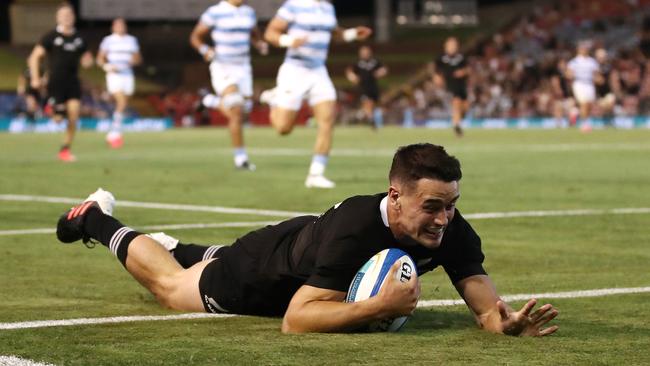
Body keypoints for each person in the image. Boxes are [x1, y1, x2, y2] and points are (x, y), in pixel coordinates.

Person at [56, 143, 559, 335]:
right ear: (397, 196)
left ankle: (175, 245)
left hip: (302, 243)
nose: (443, 219)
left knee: (200, 259)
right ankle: (96, 218)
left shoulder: (452, 228)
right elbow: (296, 320)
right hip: (259, 278)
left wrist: (505, 323)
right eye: (432, 206)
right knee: (170, 288)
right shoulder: (357, 230)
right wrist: (378, 307)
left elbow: (486, 308)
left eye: (451, 204)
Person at [260, 0, 372, 188]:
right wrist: (288, 40)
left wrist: (352, 34)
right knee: (283, 128)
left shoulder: (328, 8)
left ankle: (315, 174)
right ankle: (274, 100)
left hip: (318, 71)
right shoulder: (294, 5)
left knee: (327, 120)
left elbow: (334, 34)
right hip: (294, 70)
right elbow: (270, 33)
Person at [190, 0, 268, 171]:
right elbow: (195, 36)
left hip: (244, 67)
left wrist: (259, 44)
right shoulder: (215, 12)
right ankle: (241, 159)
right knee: (237, 111)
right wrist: (206, 50)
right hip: (223, 66)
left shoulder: (248, 12)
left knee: (242, 112)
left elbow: (254, 34)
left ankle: (209, 101)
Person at [27, 2, 93, 162]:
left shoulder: (79, 38)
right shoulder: (51, 37)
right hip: (55, 83)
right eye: (63, 15)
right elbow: (34, 57)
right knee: (58, 119)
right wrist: (35, 78)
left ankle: (65, 149)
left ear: (74, 18)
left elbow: (87, 58)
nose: (66, 18)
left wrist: (88, 61)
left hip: (73, 82)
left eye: (69, 15)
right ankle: (51, 108)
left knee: (74, 115)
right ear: (58, 18)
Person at [96, 18, 142, 149]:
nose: (121, 27)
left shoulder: (131, 40)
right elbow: (99, 59)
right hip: (114, 75)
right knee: (121, 102)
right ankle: (114, 134)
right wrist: (107, 66)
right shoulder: (108, 40)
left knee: (124, 103)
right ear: (113, 27)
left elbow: (138, 58)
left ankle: (114, 131)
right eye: (118, 25)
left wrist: (132, 62)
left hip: (128, 74)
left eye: (123, 25)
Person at [433, 37, 470, 137]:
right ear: (446, 46)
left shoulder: (461, 57)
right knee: (456, 103)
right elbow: (436, 72)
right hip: (450, 85)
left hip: (461, 85)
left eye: (454, 45)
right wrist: (437, 79)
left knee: (465, 108)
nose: (452, 47)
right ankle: (456, 126)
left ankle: (457, 120)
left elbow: (468, 69)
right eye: (450, 45)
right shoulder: (441, 58)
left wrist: (462, 72)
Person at [345, 45, 388, 129]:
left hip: (373, 87)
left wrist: (381, 72)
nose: (364, 54)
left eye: (366, 52)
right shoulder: (357, 63)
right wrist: (352, 76)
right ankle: (371, 120)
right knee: (367, 103)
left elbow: (384, 69)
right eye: (362, 52)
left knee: (373, 105)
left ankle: (358, 117)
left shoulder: (375, 62)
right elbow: (349, 71)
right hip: (363, 87)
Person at [566, 42, 600, 131]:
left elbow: (596, 74)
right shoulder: (574, 62)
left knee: (589, 104)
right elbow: (569, 73)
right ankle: (584, 124)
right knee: (583, 103)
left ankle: (575, 112)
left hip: (589, 83)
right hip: (579, 83)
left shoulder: (592, 61)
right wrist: (571, 76)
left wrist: (598, 79)